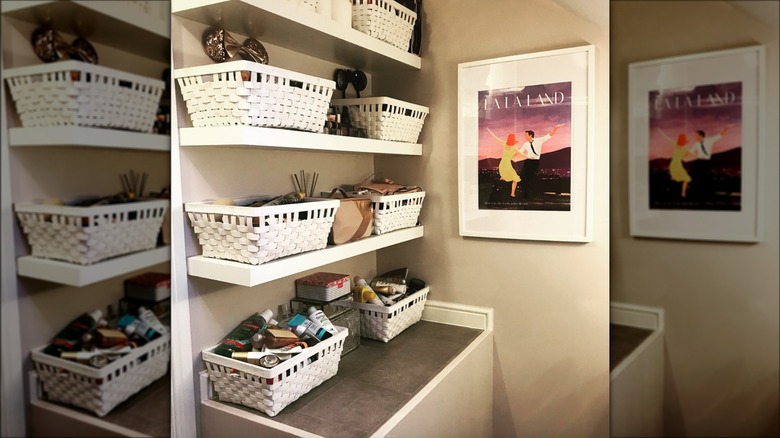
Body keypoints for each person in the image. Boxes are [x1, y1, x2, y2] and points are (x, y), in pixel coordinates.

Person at [516, 123, 565, 199]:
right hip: (528, 161)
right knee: (522, 177)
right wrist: (509, 156)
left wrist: (555, 128)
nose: (525, 136)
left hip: (535, 162)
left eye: (526, 135)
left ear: (530, 135)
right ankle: (525, 194)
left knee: (530, 178)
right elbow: (520, 151)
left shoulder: (539, 140)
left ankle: (531, 193)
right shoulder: (526, 144)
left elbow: (549, 135)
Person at [688, 125, 731, 194]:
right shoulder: (696, 144)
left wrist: (726, 128)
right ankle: (695, 190)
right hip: (698, 161)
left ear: (701, 135)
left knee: (705, 177)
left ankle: (706, 191)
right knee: (695, 175)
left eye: (696, 135)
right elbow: (690, 152)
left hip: (706, 162)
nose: (695, 137)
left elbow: (721, 135)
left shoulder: (709, 140)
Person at [657, 128, 694, 198]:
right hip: (677, 164)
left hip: (673, 163)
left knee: (678, 177)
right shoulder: (685, 147)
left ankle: (673, 180)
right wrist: (699, 154)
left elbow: (666, 138)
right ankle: (683, 193)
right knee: (686, 179)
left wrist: (660, 131)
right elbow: (690, 154)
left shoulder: (675, 144)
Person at [487, 128, 522, 197]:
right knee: (515, 179)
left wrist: (490, 131)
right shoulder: (514, 146)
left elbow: (496, 138)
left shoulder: (504, 143)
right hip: (507, 163)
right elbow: (519, 153)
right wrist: (528, 156)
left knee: (507, 170)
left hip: (502, 163)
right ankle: (512, 193)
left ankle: (503, 176)